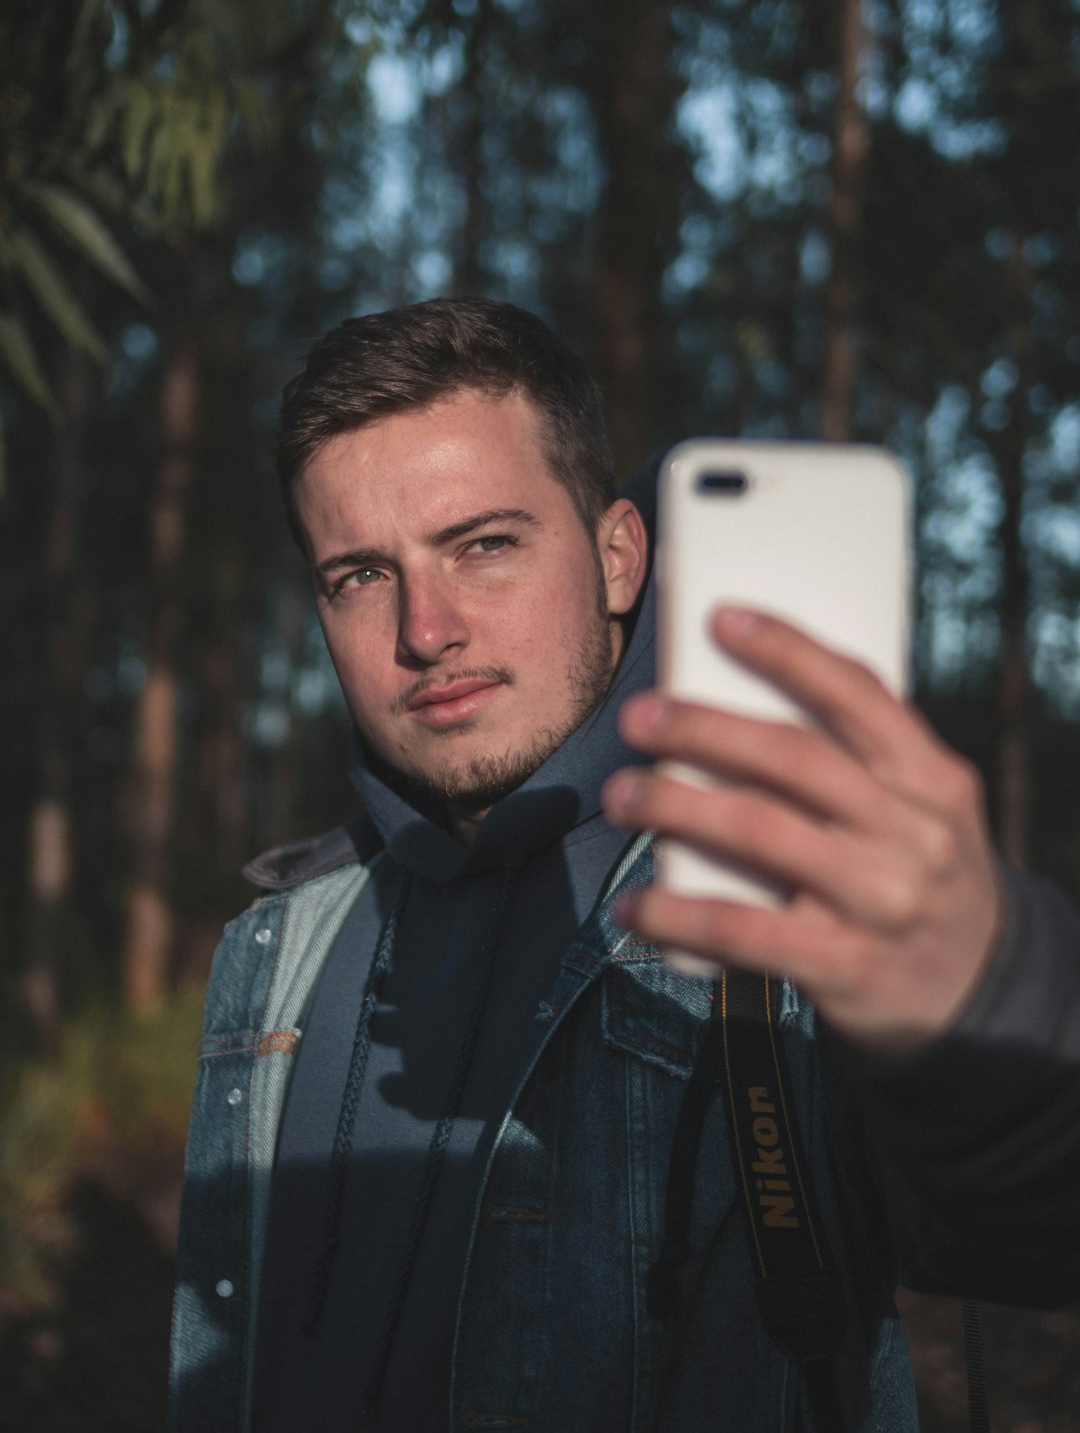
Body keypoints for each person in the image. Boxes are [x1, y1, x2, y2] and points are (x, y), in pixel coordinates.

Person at [168, 298, 1080, 1433]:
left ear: (616, 557)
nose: (425, 627)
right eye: (360, 574)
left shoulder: (778, 911)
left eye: (484, 544)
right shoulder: (276, 947)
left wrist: (994, 985)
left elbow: (1040, 1227)